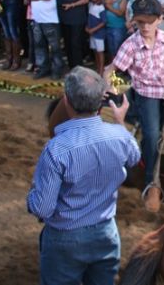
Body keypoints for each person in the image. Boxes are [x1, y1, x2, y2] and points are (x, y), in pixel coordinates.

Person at [27, 66, 141, 285]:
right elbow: (135, 157)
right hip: (106, 233)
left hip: (64, 237)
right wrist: (120, 122)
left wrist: (32, 196)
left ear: (66, 101)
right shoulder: (120, 137)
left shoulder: (56, 149)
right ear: (100, 102)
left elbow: (43, 208)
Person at [104, 0, 164, 213]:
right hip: (146, 95)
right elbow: (113, 69)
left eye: (150, 21)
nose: (145, 27)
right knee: (153, 134)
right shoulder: (131, 45)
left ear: (160, 19)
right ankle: (151, 184)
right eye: (140, 22)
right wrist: (111, 86)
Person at [24, 0, 63, 79]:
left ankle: (57, 70)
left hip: (50, 19)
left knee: (55, 47)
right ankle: (43, 68)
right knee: (39, 45)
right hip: (36, 18)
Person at [57, 0, 89, 70]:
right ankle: (71, 65)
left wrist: (72, 5)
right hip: (64, 17)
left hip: (76, 17)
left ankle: (78, 67)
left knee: (75, 43)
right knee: (67, 43)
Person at [87, 0, 107, 75]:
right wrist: (88, 27)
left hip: (99, 34)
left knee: (100, 52)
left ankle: (101, 70)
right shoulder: (91, 5)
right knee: (95, 51)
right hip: (92, 33)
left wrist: (94, 29)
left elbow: (104, 22)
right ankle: (98, 67)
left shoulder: (101, 8)